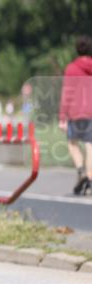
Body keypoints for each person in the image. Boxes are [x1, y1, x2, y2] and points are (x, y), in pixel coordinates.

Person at [58, 35, 92, 195]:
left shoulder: (71, 68)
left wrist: (62, 117)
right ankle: (90, 178)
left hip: (76, 112)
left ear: (77, 49)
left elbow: (67, 93)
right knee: (90, 144)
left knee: (72, 144)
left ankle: (82, 172)